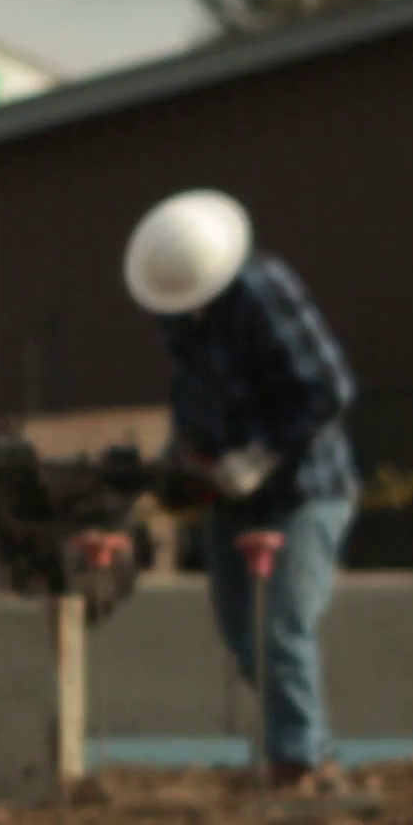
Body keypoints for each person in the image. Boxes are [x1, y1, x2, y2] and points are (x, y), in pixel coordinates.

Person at [123, 188, 360, 791]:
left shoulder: (264, 292)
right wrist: (184, 458)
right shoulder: (175, 307)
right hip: (228, 492)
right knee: (241, 628)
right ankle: (312, 750)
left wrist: (262, 455)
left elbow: (329, 388)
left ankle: (298, 761)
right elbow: (195, 393)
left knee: (283, 620)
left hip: (306, 485)